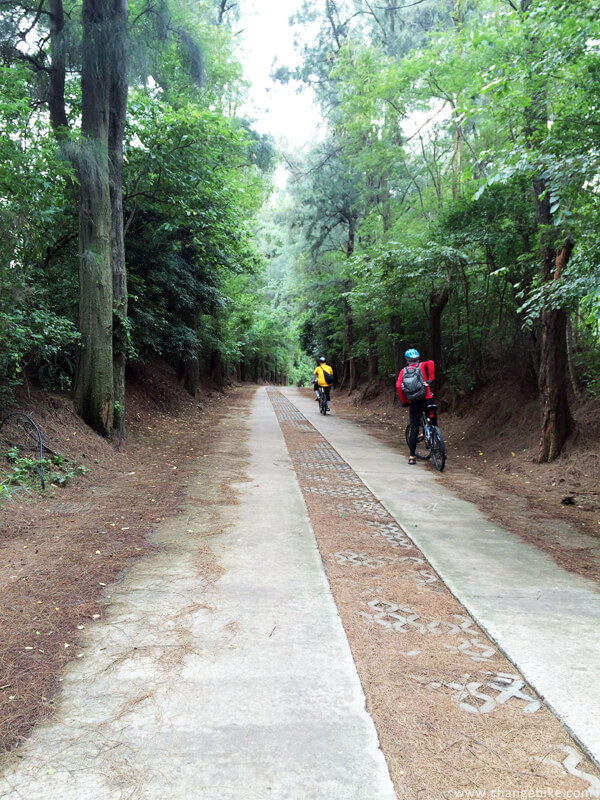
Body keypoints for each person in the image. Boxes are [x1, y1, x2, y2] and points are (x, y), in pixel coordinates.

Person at [396, 348, 435, 465]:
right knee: (433, 422)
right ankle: (436, 441)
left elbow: (398, 387)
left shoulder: (403, 371)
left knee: (414, 430)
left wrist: (405, 401)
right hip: (427, 399)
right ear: (418, 358)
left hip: (414, 402)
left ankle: (412, 457)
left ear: (407, 360)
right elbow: (432, 363)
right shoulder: (423, 365)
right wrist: (430, 379)